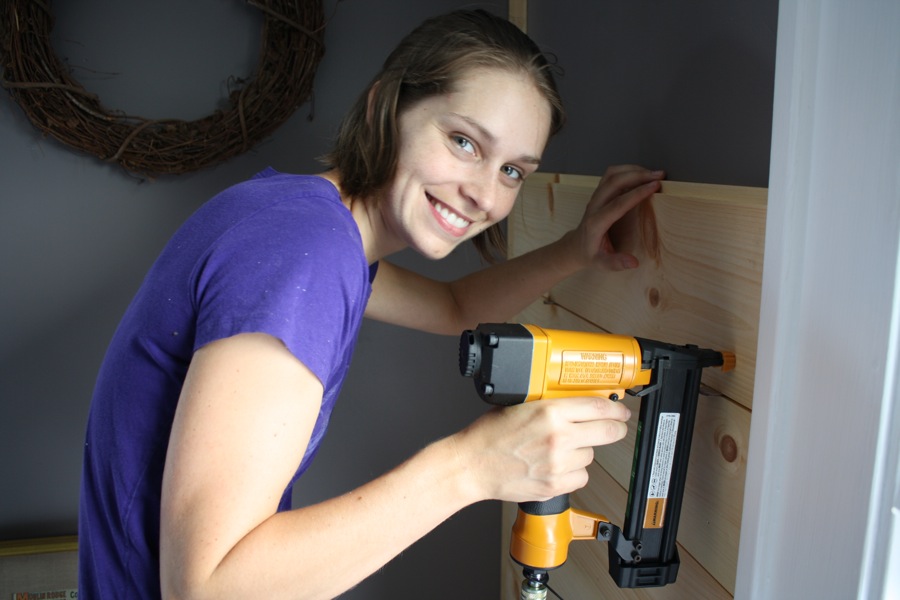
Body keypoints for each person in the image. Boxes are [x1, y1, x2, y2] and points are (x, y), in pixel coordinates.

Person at [78, 8, 664, 599]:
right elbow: (208, 588)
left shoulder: (297, 216)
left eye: (512, 170)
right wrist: (471, 466)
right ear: (388, 105)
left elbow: (455, 307)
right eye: (464, 141)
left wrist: (574, 249)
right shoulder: (306, 250)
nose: (485, 195)